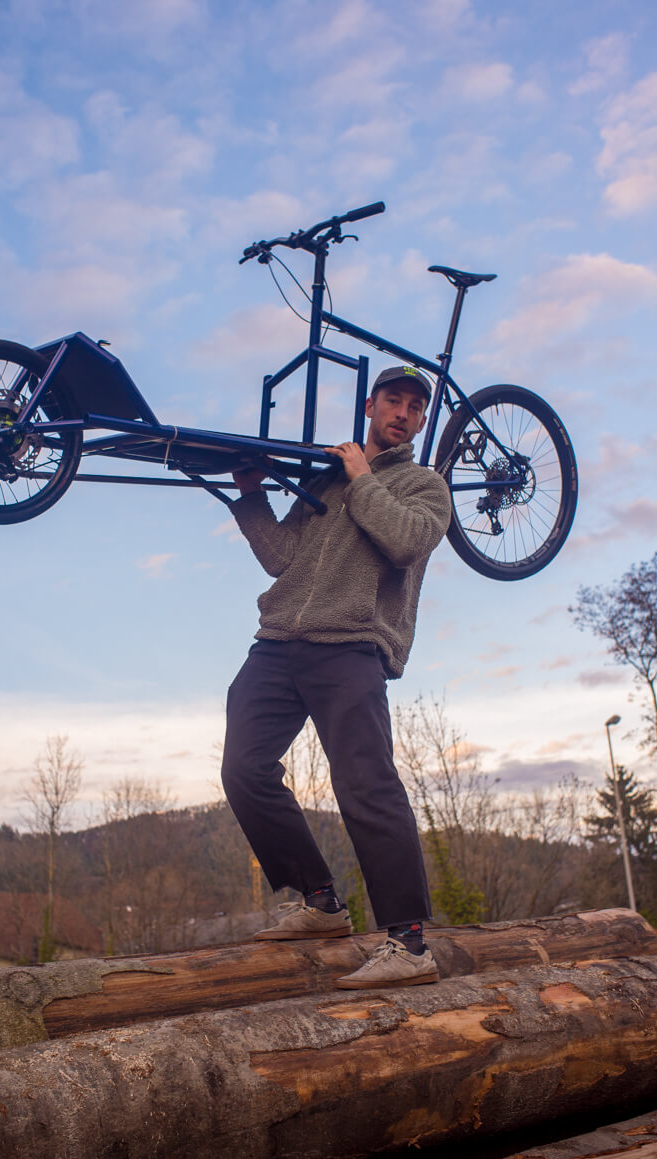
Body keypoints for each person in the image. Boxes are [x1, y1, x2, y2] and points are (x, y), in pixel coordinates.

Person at [220, 365, 452, 989]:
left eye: (413, 406)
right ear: (372, 406)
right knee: (243, 768)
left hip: (351, 646)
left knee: (365, 784)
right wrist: (250, 495)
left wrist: (361, 477)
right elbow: (280, 557)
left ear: (422, 420)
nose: (402, 412)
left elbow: (406, 541)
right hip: (278, 642)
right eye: (392, 400)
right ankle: (320, 903)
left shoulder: (424, 485)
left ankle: (408, 943)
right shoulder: (324, 476)